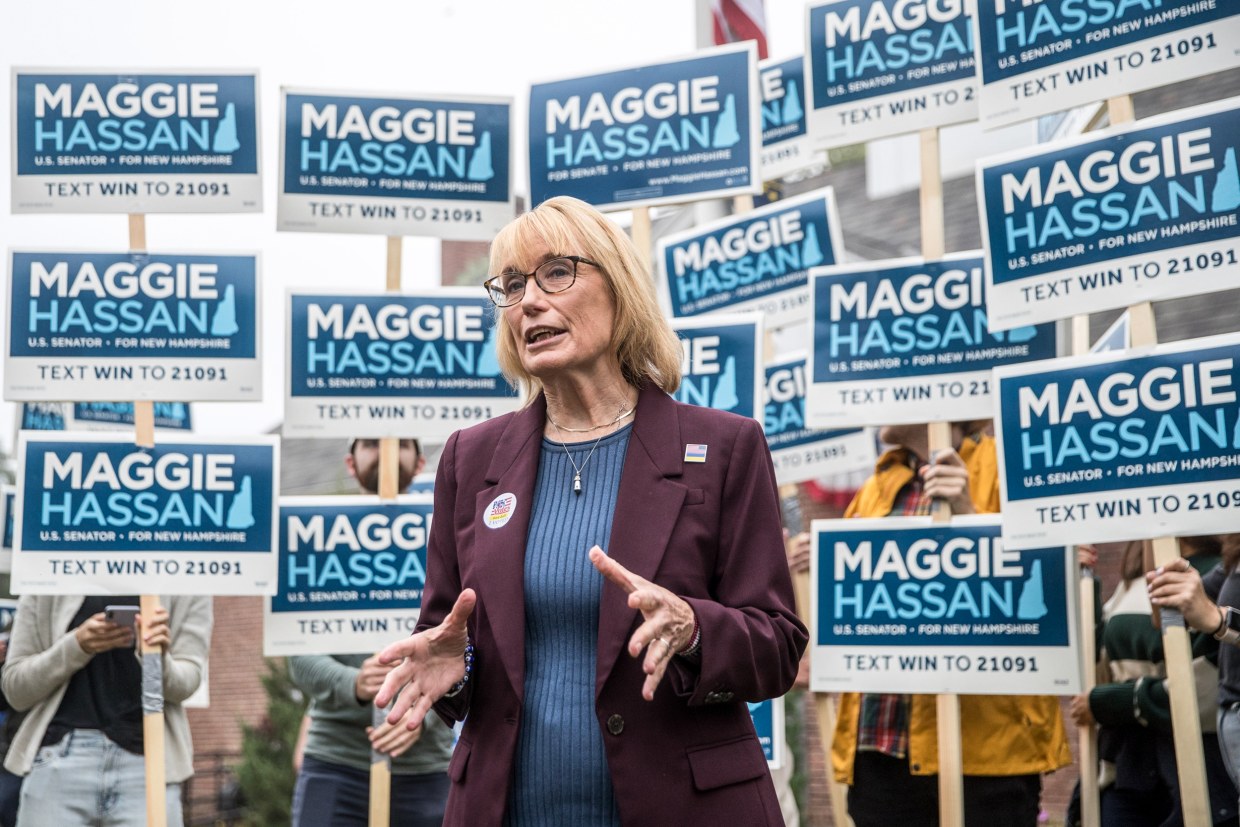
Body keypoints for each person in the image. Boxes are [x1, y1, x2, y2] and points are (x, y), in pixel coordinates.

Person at [372, 195, 807, 825]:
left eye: (556, 273)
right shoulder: (471, 459)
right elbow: (450, 639)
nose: (529, 302)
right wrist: (456, 670)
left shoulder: (723, 448)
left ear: (619, 287)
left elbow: (778, 646)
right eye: (513, 285)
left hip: (683, 808)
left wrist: (692, 627)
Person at [831, 420, 1072, 827]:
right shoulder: (876, 487)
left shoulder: (1013, 465)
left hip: (985, 757)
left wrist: (969, 518)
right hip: (880, 751)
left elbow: (1047, 598)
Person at [289, 436, 454, 827]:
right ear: (350, 462)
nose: (385, 450)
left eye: (400, 444)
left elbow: (468, 649)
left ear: (419, 463)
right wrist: (355, 683)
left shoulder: (450, 544)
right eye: (371, 443)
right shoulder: (315, 539)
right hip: (335, 764)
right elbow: (297, 654)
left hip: (425, 768)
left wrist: (421, 711)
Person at [0, 594, 211, 825]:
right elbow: (16, 690)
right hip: (58, 760)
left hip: (148, 764)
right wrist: (77, 645)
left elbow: (187, 683)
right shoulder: (53, 565)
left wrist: (156, 658)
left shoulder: (187, 578)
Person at [1069, 538, 1237, 826]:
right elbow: (1099, 669)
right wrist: (1084, 585)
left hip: (1198, 765)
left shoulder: (1218, 575)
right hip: (1127, 765)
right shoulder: (1132, 583)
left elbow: (1203, 689)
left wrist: (1111, 702)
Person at [1148, 533, 1240, 806]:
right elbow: (1168, 614)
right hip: (1230, 711)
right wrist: (1166, 586)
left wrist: (1220, 620)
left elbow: (1210, 614)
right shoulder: (1234, 554)